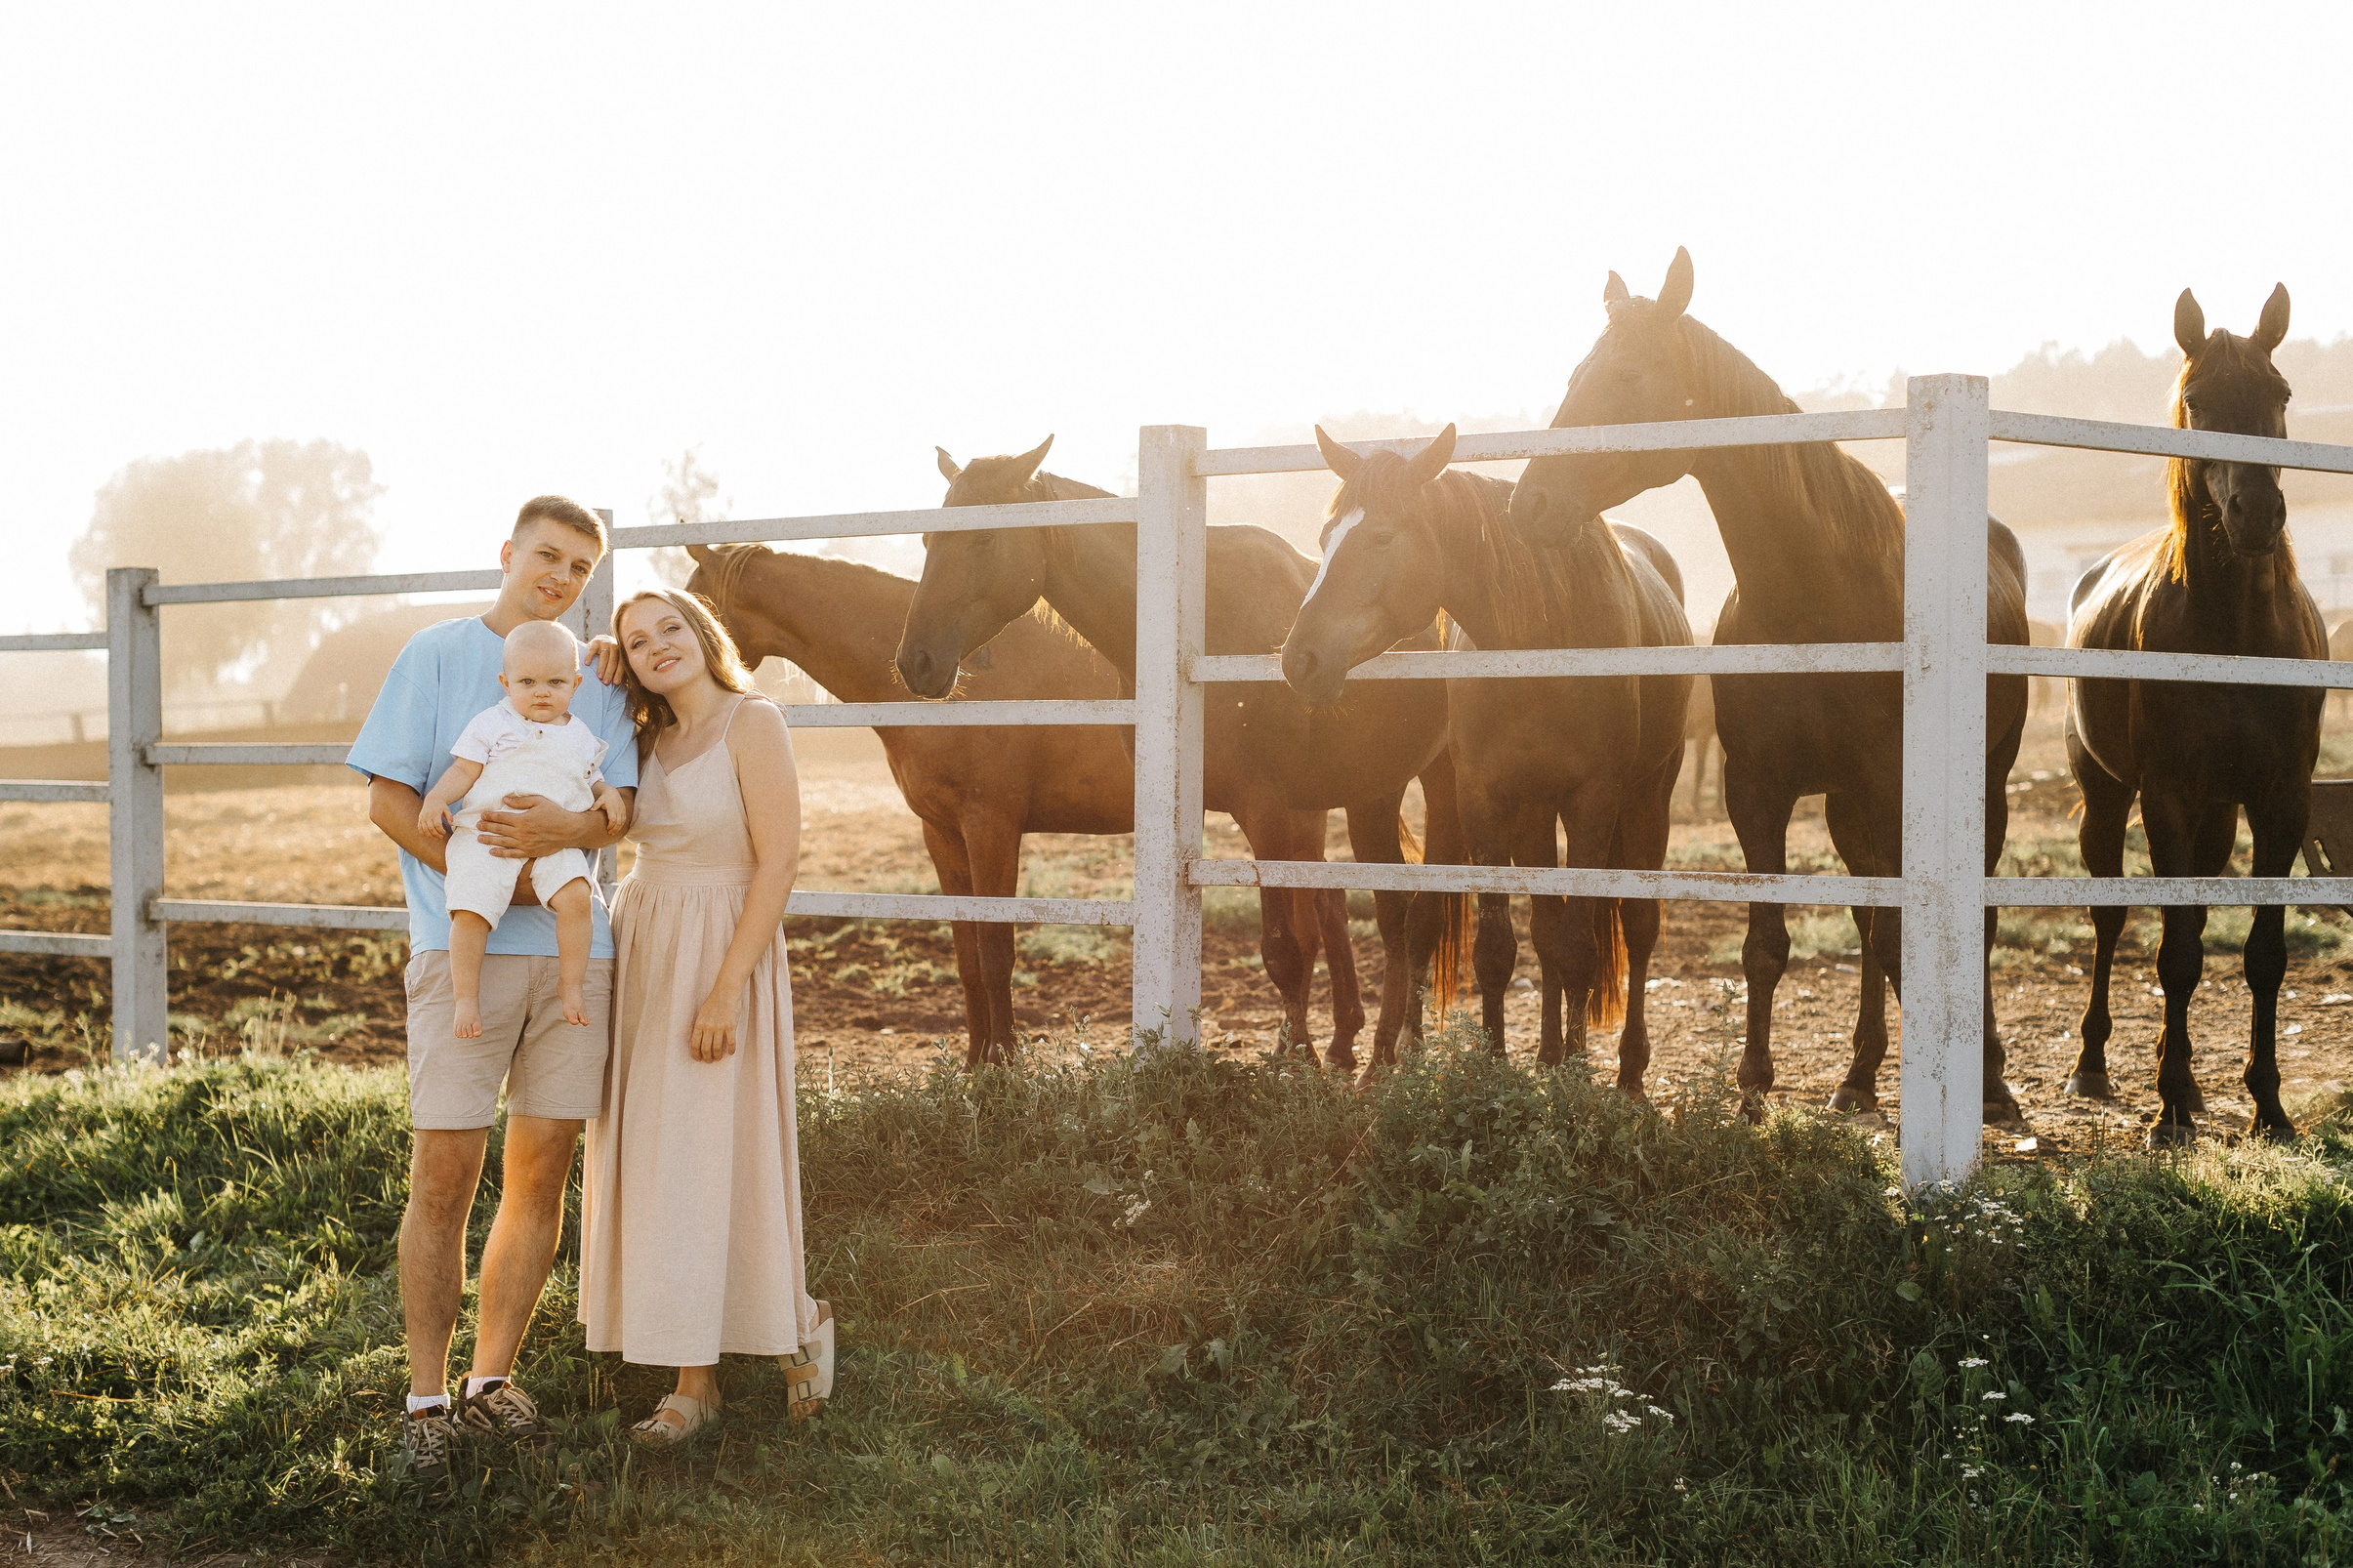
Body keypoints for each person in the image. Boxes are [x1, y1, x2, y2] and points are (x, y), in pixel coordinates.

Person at [348, 496, 638, 1482]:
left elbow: (617, 810)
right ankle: (425, 1399)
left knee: (542, 1169)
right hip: (458, 945)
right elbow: (388, 798)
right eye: (547, 556)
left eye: (579, 567)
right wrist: (487, 879)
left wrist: (563, 841)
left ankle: (490, 1381)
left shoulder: (597, 679)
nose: (560, 576)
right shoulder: (435, 656)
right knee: (445, 1172)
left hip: (573, 957)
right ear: (508, 552)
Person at [578, 587, 833, 1447]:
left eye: (671, 628)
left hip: (721, 946)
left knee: (720, 1149)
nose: (657, 646)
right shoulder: (640, 732)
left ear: (703, 631)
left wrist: (726, 990)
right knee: (659, 1158)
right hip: (644, 946)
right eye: (636, 641)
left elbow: (779, 862)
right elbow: (543, 709)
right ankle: (699, 1379)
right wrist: (591, 661)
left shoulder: (752, 722)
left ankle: (791, 1320)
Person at [417, 619, 628, 1039]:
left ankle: (570, 984)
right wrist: (436, 798)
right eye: (527, 682)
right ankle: (465, 998)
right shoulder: (493, 722)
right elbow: (464, 770)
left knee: (578, 897)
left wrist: (610, 795)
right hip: (488, 836)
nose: (541, 692)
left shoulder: (579, 735)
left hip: (554, 843)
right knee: (470, 909)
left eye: (555, 682)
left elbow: (592, 778)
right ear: (506, 683)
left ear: (576, 684)